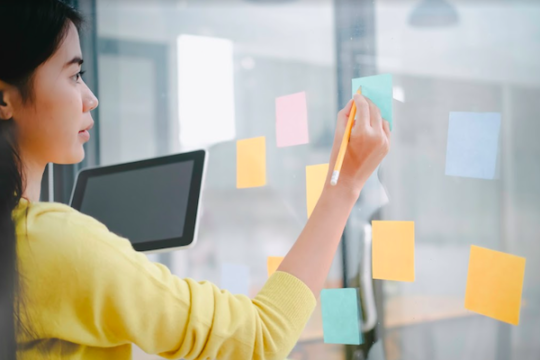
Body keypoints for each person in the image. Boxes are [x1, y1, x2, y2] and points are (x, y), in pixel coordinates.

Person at [0, 0, 391, 359]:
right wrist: (344, 187)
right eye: (73, 75)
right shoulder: (50, 242)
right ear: (5, 100)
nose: (90, 97)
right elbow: (260, 338)